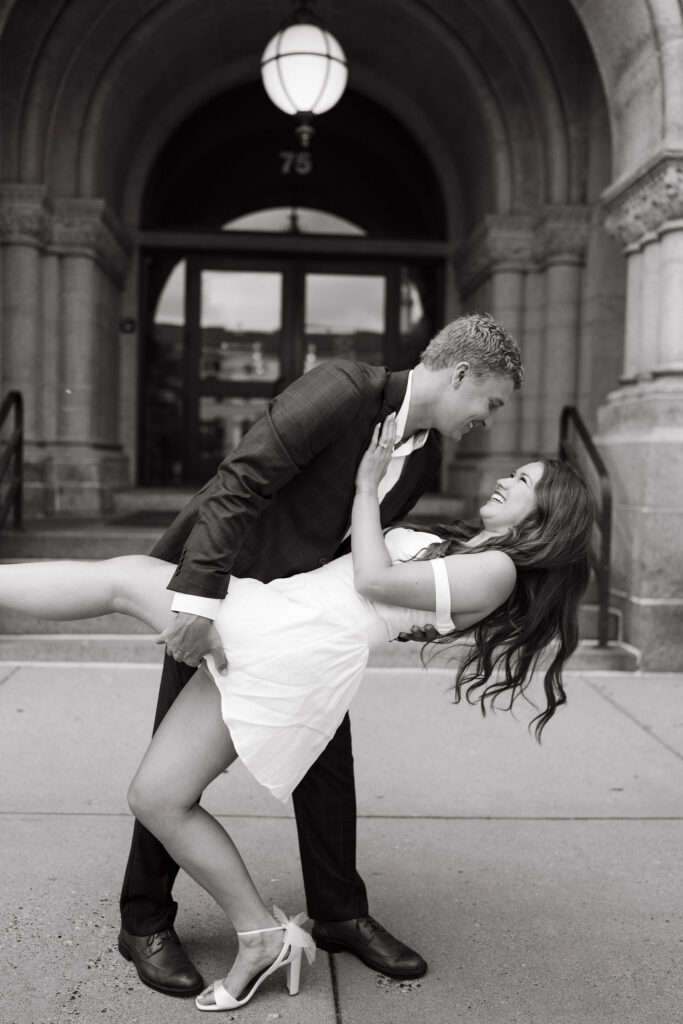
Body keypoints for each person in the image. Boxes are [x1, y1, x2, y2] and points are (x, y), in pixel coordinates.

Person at [0, 423, 594, 1012]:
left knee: (122, 581)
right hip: (291, 630)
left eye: (521, 481)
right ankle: (261, 935)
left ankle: (260, 934)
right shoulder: (472, 552)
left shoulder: (499, 571)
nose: (503, 480)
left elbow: (372, 577)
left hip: (290, 637)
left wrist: (366, 486)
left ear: (545, 514)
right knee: (157, 797)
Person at [124, 312, 524, 997]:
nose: (487, 419)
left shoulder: (423, 452)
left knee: (327, 758)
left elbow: (358, 542)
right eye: (490, 402)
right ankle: (145, 920)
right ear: (461, 374)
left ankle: (339, 912)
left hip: (301, 621)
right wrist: (197, 602)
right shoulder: (341, 387)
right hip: (224, 601)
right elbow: (240, 480)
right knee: (175, 764)